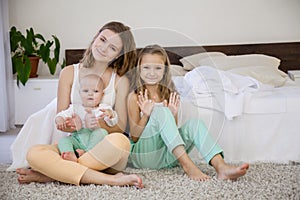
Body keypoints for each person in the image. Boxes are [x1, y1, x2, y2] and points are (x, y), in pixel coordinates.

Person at [16, 21, 143, 188]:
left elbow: (120, 127)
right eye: (102, 39)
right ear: (96, 37)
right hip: (76, 144)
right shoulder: (69, 73)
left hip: (103, 147)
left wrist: (97, 124)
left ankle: (52, 174)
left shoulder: (120, 81)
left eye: (113, 48)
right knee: (34, 154)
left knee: (121, 142)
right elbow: (61, 121)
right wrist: (75, 124)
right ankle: (110, 180)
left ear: (118, 55)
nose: (104, 48)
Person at [127, 44, 249, 181]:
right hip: (144, 156)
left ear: (165, 70)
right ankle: (188, 167)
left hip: (165, 157)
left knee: (194, 124)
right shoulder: (134, 96)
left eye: (158, 68)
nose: (152, 72)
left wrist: (172, 114)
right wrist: (146, 115)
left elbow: (172, 132)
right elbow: (135, 137)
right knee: (161, 112)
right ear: (139, 69)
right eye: (146, 67)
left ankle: (221, 167)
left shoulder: (168, 93)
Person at [56, 74, 118, 162]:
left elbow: (112, 122)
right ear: (79, 93)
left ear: (102, 94)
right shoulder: (75, 108)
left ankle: (87, 154)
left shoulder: (103, 108)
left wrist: (110, 115)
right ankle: (70, 154)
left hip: (94, 141)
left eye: (96, 91)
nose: (90, 94)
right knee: (64, 140)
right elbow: (61, 114)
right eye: (85, 91)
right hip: (77, 139)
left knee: (102, 132)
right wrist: (60, 120)